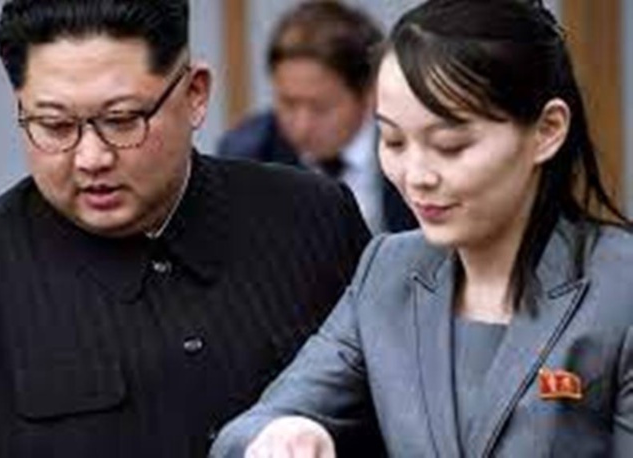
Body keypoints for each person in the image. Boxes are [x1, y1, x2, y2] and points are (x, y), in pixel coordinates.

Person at [0, 1, 375, 456]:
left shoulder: (313, 218)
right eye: (55, 126)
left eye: (121, 120)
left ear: (195, 94)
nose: (91, 157)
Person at [210, 0, 633, 456]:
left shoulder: (619, 288)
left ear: (547, 130)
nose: (416, 176)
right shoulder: (388, 270)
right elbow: (255, 424)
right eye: (393, 141)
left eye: (450, 146)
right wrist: (282, 432)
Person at [217, 0, 415, 235]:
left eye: (321, 108)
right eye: (288, 103)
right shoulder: (247, 157)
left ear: (370, 93)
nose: (302, 126)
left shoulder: (415, 147)